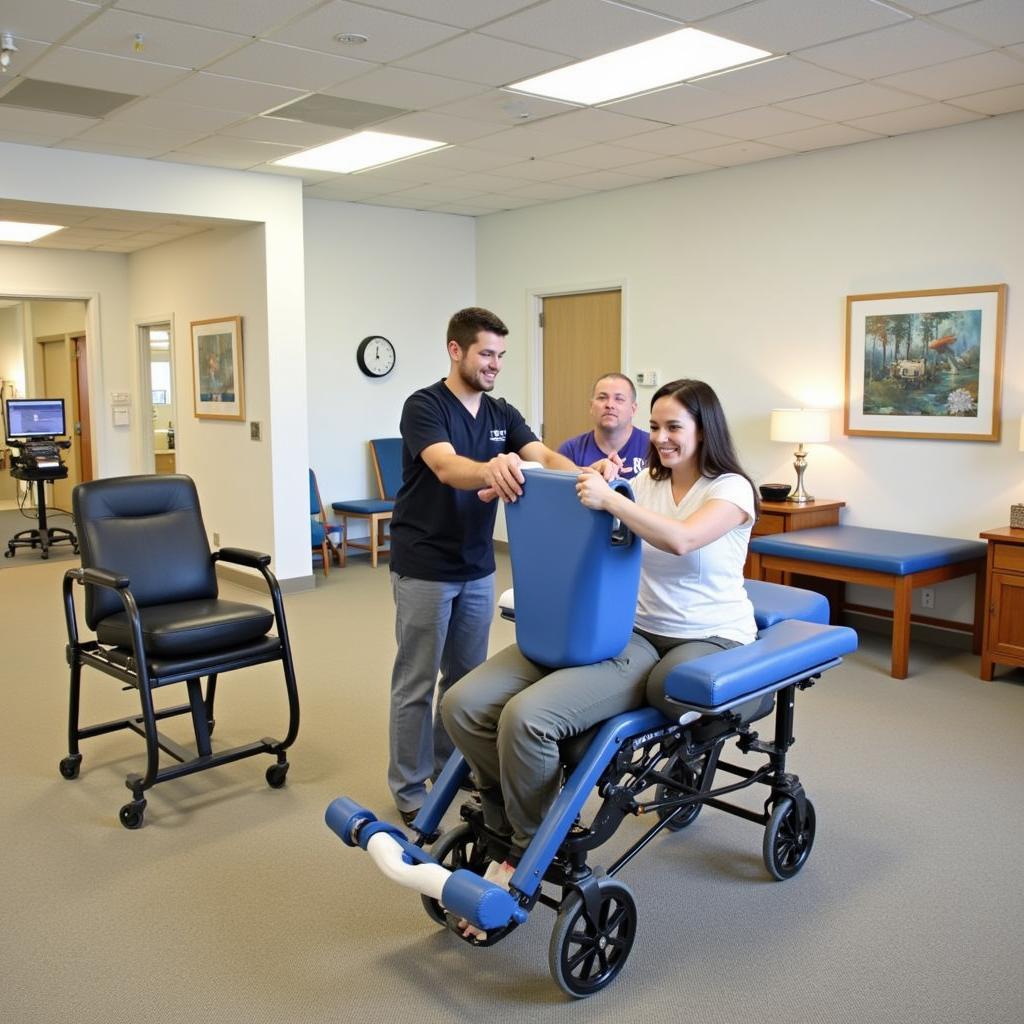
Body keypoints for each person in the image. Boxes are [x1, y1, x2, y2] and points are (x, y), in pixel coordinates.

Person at [441, 378, 758, 901]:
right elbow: (578, 501)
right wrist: (521, 484)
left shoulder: (730, 488)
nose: (660, 437)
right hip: (626, 628)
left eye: (674, 427)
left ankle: (531, 844)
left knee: (529, 719)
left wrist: (613, 497)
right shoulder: (647, 483)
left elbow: (680, 538)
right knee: (462, 704)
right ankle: (505, 818)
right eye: (655, 426)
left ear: (706, 430)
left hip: (707, 634)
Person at [388, 307, 578, 826]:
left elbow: (541, 453)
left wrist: (587, 475)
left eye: (501, 356)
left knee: (465, 682)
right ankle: (408, 786)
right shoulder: (424, 406)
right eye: (486, 354)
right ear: (456, 350)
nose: (495, 365)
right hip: (424, 564)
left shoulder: (501, 413)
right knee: (417, 680)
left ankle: (450, 767)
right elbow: (448, 468)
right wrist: (491, 467)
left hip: (477, 567)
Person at [557, 373, 649, 479]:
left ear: (633, 409)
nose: (610, 405)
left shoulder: (653, 448)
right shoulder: (571, 450)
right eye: (602, 398)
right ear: (591, 406)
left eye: (619, 399)